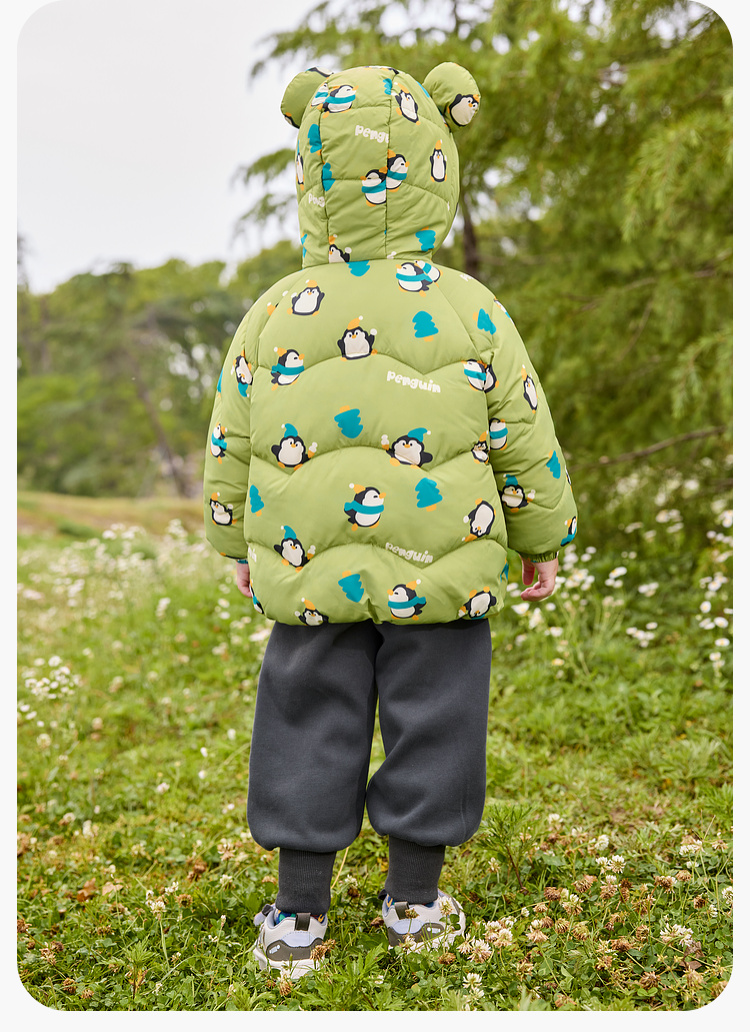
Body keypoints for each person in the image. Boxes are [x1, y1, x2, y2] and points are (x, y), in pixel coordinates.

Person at [203, 61, 577, 980]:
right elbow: (523, 432)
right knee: (436, 723)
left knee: (305, 719)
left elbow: (232, 440)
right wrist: (540, 538)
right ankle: (414, 900)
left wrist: (238, 542)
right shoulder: (470, 307)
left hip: (310, 575)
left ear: (311, 173)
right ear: (437, 163)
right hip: (442, 574)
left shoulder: (273, 312)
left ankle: (298, 915)